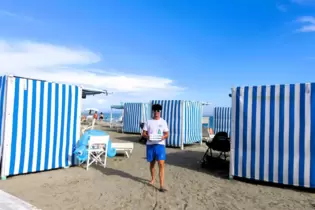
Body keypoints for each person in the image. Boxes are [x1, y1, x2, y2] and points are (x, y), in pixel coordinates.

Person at [142, 104, 169, 192]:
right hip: (150, 145)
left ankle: (161, 185)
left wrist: (163, 137)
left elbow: (167, 134)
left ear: (160, 112)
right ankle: (153, 179)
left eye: (158, 111)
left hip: (160, 145)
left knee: (161, 164)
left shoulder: (163, 122)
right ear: (153, 111)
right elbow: (144, 133)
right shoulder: (148, 122)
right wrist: (148, 137)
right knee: (152, 164)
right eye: (155, 111)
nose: (156, 112)